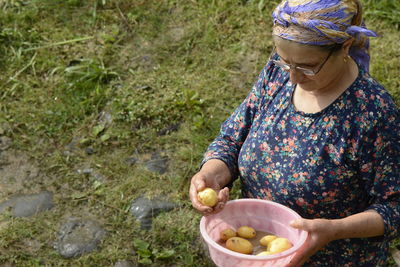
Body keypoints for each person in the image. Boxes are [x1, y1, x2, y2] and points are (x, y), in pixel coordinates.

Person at [189, 0, 400, 266]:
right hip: (258, 253)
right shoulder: (278, 73)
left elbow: (394, 207)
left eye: (307, 66)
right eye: (285, 61)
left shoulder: (373, 114)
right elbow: (232, 139)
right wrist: (211, 174)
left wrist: (333, 230)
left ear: (345, 47)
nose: (293, 78)